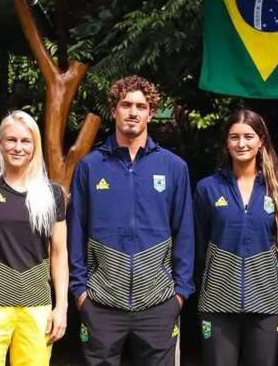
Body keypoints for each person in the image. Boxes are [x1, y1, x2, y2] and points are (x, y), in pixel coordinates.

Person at [68, 75, 194, 366]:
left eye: (141, 105)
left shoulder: (174, 168)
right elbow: (76, 231)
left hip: (159, 303)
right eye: (126, 104)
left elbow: (185, 233)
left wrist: (180, 294)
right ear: (114, 110)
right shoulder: (90, 166)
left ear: (151, 112)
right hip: (100, 302)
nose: (133, 112)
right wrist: (80, 292)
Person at [0, 111, 68, 365]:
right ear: (0, 144)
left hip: (37, 306)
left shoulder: (52, 193)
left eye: (25, 141)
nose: (18, 147)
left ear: (35, 146)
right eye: (11, 140)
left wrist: (61, 307)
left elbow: (60, 253)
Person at [194, 109, 278, 366]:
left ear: (261, 141)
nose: (241, 144)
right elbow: (199, 246)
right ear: (226, 143)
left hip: (266, 301)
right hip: (217, 300)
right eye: (234, 137)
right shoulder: (207, 188)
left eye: (248, 136)